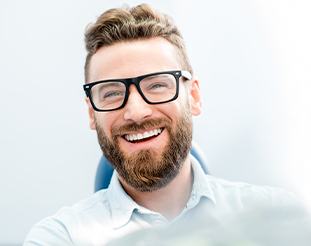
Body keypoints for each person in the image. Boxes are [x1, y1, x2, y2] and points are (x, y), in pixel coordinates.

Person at [24, 4, 308, 246]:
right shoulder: (61, 237)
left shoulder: (279, 217)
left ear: (193, 97)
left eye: (158, 85)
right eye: (111, 93)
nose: (135, 111)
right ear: (91, 113)